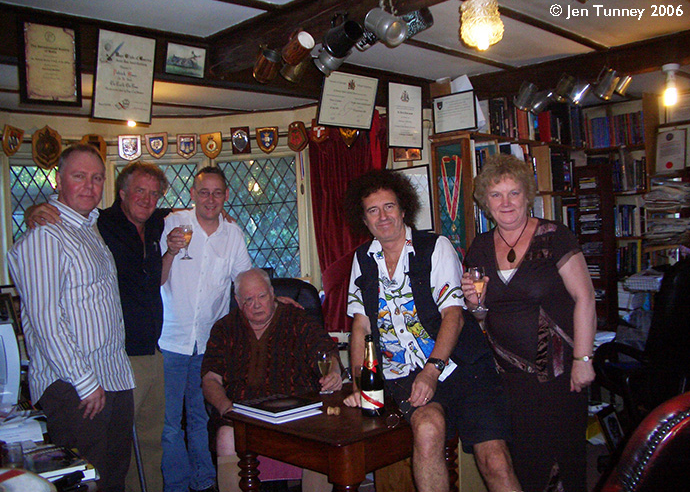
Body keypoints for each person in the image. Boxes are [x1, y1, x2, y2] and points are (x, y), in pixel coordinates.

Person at [343, 170, 521, 492]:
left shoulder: (435, 247)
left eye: (389, 206)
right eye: (373, 210)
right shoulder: (362, 260)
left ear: (403, 209)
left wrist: (432, 369)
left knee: (493, 458)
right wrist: (359, 384)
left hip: (462, 367)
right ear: (364, 219)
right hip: (405, 374)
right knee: (426, 429)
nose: (383, 217)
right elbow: (361, 326)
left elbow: (453, 314)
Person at [25, 161, 172, 492]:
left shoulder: (155, 224)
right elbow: (46, 317)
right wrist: (37, 208)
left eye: (154, 194)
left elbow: (197, 208)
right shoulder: (98, 223)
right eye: (139, 191)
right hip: (104, 366)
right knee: (96, 466)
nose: (148, 200)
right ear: (121, 193)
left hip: (140, 357)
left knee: (141, 448)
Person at [461, 154, 596, 492]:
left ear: (527, 195)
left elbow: (586, 298)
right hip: (508, 375)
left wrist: (583, 359)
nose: (505, 202)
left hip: (559, 369)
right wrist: (474, 303)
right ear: (485, 202)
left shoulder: (554, 236)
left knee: (564, 458)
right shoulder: (479, 246)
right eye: (496, 195)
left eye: (514, 193)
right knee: (526, 461)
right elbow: (479, 314)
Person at [7, 144, 136, 492]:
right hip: (77, 387)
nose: (90, 186)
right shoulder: (46, 236)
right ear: (59, 179)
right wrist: (84, 381)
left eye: (96, 178)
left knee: (112, 481)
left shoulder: (89, 228)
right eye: (79, 176)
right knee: (86, 484)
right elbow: (46, 319)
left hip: (112, 379)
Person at [201, 268, 341, 492]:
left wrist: (333, 372)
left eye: (262, 296)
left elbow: (327, 353)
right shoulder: (224, 328)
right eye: (248, 299)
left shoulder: (297, 319)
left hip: (296, 412)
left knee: (320, 433)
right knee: (226, 435)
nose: (256, 304)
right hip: (243, 416)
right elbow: (210, 379)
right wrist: (225, 407)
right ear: (237, 301)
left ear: (272, 293)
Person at [159, 166, 253, 492]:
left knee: (200, 418)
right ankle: (175, 486)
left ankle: (203, 484)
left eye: (217, 193)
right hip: (170, 338)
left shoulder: (233, 234)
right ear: (192, 195)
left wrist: (276, 299)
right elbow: (153, 279)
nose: (210, 199)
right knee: (170, 424)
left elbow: (244, 284)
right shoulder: (172, 223)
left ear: (226, 197)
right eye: (203, 192)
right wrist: (171, 251)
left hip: (208, 342)